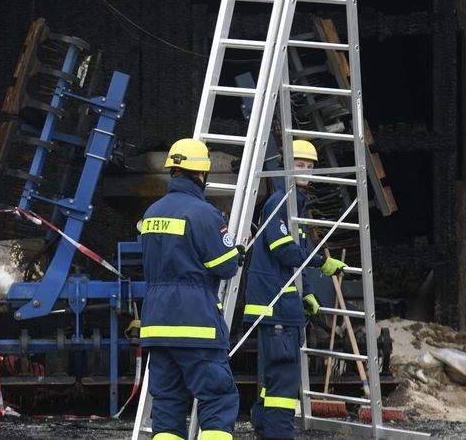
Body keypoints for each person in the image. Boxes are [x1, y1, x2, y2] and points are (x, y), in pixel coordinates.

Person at [138, 138, 242, 440]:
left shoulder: (151, 214)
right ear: (202, 174)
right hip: (196, 325)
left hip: (157, 325)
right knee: (218, 401)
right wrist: (236, 253)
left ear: (173, 171)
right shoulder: (204, 213)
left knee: (168, 406)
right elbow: (225, 267)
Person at [243, 140, 346, 440]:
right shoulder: (280, 202)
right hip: (275, 307)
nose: (305, 171)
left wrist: (307, 292)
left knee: (272, 378)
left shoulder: (294, 205)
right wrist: (322, 263)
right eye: (299, 165)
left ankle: (263, 428)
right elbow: (285, 251)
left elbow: (297, 254)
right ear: (286, 166)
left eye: (310, 167)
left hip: (281, 306)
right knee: (283, 385)